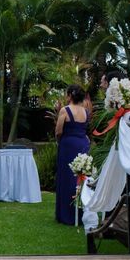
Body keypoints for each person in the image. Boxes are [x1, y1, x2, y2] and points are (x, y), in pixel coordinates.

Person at [55, 84, 90, 225]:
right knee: (80, 178)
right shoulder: (86, 112)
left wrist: (60, 142)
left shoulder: (65, 110)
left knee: (66, 177)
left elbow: (58, 131)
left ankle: (65, 214)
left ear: (70, 95)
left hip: (68, 145)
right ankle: (80, 213)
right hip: (82, 144)